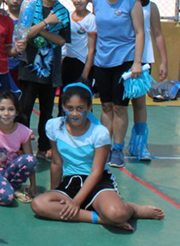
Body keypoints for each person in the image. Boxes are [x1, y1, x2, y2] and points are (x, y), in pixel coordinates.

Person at [31, 83, 164, 230]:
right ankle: (101, 219)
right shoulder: (54, 126)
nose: (75, 113)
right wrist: (55, 192)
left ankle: (132, 209)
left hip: (97, 181)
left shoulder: (99, 133)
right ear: (63, 107)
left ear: (89, 108)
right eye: (70, 108)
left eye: (80, 108)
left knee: (117, 214)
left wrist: (76, 202)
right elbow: (56, 162)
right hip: (70, 182)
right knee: (39, 204)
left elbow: (96, 172)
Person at [86, 0, 144, 168]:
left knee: (120, 107)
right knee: (107, 106)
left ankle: (118, 149)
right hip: (102, 61)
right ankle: (105, 147)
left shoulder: (131, 1)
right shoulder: (98, 0)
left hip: (125, 60)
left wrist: (137, 62)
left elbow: (139, 33)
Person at [17, 0, 70, 159]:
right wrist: (47, 22)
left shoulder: (63, 13)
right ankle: (21, 146)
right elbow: (25, 34)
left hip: (50, 70)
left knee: (47, 111)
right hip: (29, 68)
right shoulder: (31, 8)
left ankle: (43, 146)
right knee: (24, 109)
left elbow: (61, 40)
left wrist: (44, 32)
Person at [123, 0, 168, 162]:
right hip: (120, 58)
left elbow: (157, 34)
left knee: (139, 102)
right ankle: (113, 146)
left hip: (142, 61)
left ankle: (139, 146)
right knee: (118, 105)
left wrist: (163, 60)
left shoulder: (151, 7)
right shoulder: (118, 2)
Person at [0, 91, 37, 205]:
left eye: (11, 109)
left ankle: (12, 187)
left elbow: (30, 160)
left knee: (30, 159)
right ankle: (1, 188)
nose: (6, 113)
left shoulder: (24, 131)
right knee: (7, 198)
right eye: (1, 109)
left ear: (17, 112)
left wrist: (33, 185)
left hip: (10, 170)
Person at [61, 0, 97, 88]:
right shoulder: (67, 15)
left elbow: (91, 50)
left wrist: (84, 75)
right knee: (64, 98)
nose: (78, 1)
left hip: (82, 62)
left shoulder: (91, 19)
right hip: (67, 62)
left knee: (81, 99)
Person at [5, 0, 28, 86]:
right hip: (4, 67)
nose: (15, 0)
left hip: (23, 68)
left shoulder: (29, 20)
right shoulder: (1, 18)